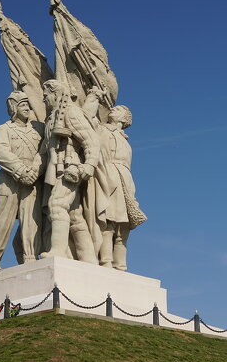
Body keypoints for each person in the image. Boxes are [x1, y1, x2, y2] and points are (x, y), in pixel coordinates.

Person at [0, 91, 45, 273]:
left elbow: (43, 152)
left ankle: (30, 258)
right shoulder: (3, 129)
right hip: (9, 178)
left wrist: (34, 170)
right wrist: (20, 171)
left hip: (33, 179)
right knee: (1, 222)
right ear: (13, 108)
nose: (27, 108)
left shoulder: (39, 129)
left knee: (32, 220)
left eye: (28, 104)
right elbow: (1, 153)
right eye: (22, 105)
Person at [40, 79, 99, 262]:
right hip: (55, 167)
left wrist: (89, 164)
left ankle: (57, 250)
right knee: (74, 215)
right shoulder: (52, 118)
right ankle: (88, 259)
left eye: (46, 95)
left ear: (55, 94)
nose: (44, 100)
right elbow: (44, 150)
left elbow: (90, 140)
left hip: (69, 166)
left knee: (57, 205)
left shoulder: (70, 111)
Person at [93, 105, 147, 270]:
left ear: (124, 119)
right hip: (108, 174)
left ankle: (120, 264)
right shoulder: (101, 129)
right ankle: (106, 261)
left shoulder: (124, 139)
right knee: (108, 221)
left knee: (124, 226)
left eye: (117, 110)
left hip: (125, 179)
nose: (111, 110)